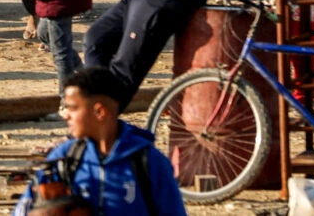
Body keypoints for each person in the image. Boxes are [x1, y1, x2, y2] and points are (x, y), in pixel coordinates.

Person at [17, 66, 188, 216]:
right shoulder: (65, 158)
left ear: (99, 112)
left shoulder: (149, 163)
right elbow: (23, 209)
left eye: (72, 107)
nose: (65, 115)